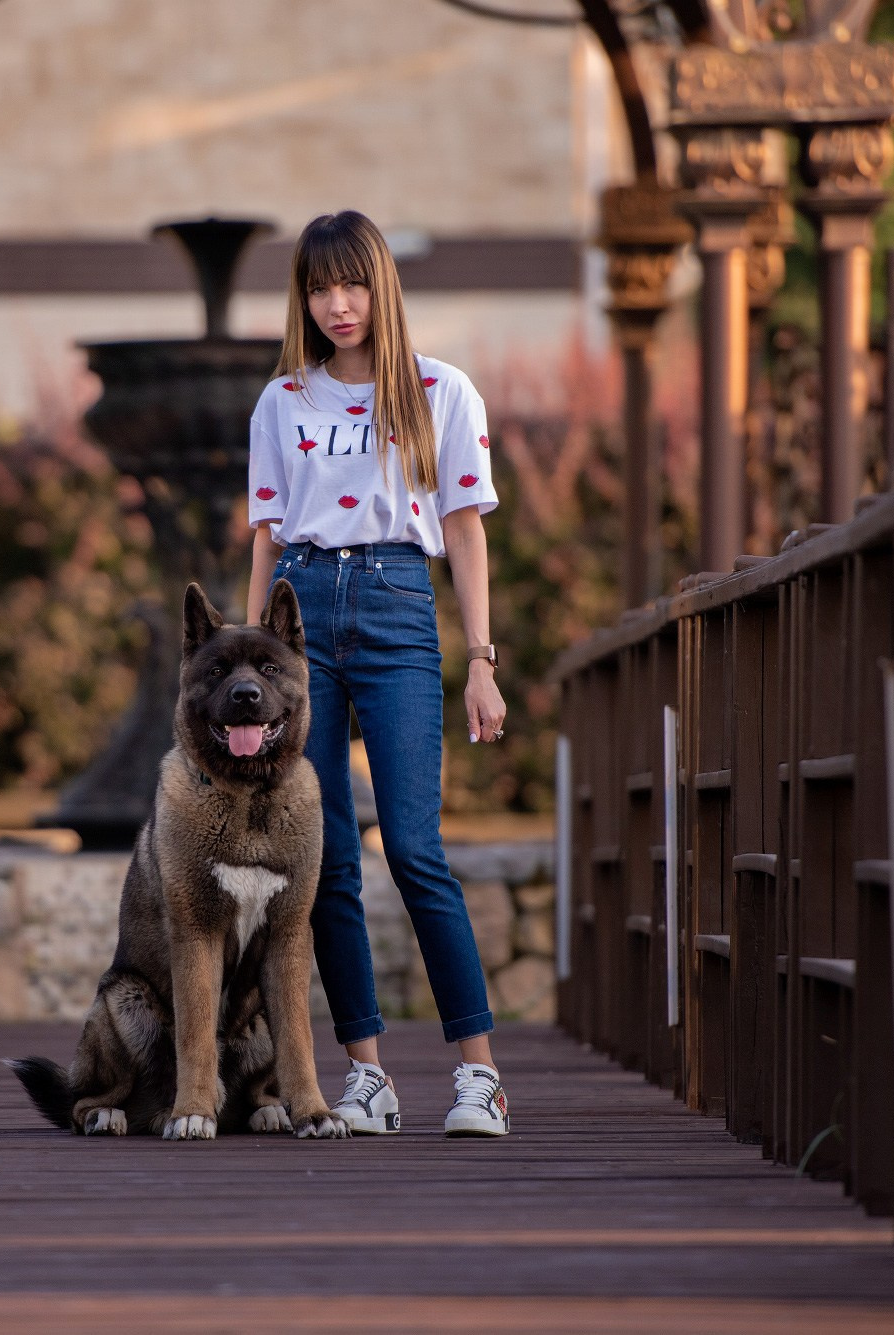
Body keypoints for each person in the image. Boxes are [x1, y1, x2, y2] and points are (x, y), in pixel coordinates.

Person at [242, 210, 510, 1137]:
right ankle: (368, 1075)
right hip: (301, 615)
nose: (338, 304)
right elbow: (268, 538)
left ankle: (479, 1076)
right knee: (332, 863)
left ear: (382, 286)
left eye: (353, 284)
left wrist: (481, 659)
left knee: (415, 847)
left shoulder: (442, 392)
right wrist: (251, 665)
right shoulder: (284, 400)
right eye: (320, 288)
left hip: (399, 602)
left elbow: (467, 529)